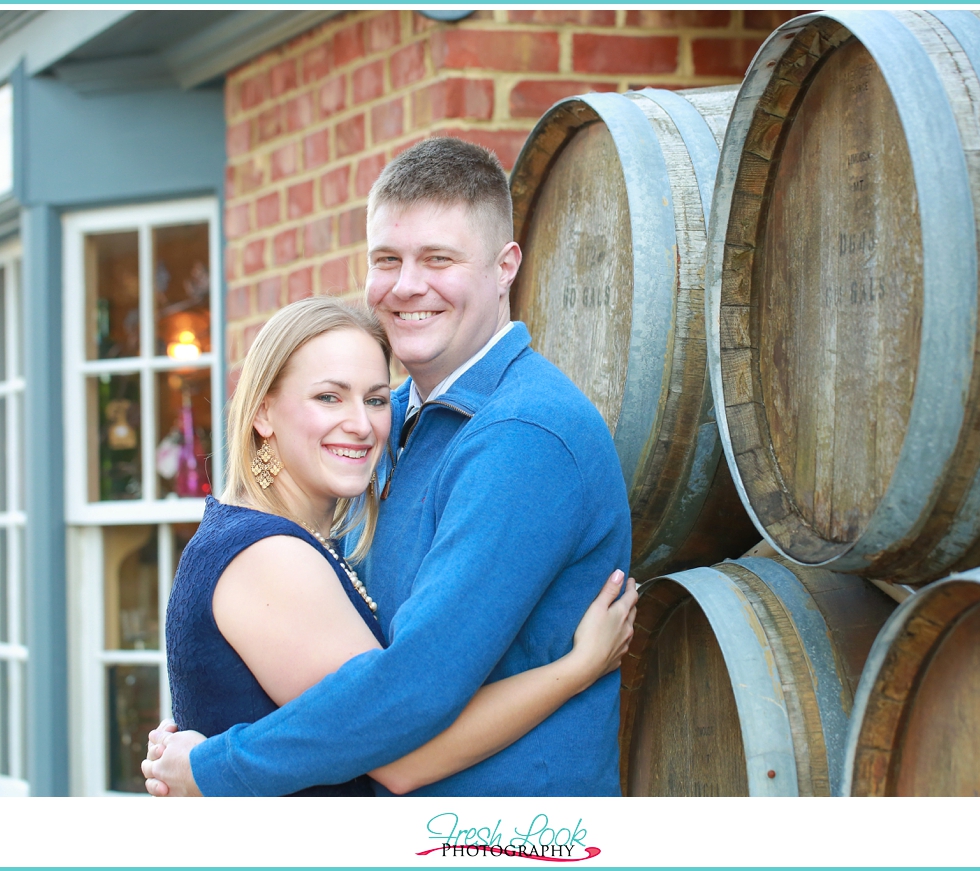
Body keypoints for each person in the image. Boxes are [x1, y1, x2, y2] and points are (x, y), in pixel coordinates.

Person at [143, 137, 632, 796]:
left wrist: (216, 763)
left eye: (439, 258)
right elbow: (320, 651)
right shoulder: (387, 422)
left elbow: (408, 690)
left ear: (504, 265)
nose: (407, 286)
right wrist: (220, 701)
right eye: (387, 259)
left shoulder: (523, 435)